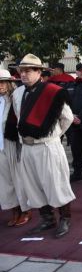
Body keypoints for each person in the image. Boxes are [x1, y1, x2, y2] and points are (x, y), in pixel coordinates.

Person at [12, 54, 75, 238]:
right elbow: (19, 118)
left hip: (47, 146)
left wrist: (53, 135)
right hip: (27, 147)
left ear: (39, 72)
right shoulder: (17, 93)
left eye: (28, 71)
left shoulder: (52, 91)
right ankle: (47, 218)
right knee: (33, 185)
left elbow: (68, 118)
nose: (23, 75)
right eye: (21, 71)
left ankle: (65, 218)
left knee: (56, 183)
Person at [0, 69, 32, 227]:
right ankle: (14, 210)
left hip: (13, 143)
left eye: (3, 82)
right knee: (4, 182)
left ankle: (26, 210)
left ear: (9, 82)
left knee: (18, 178)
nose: (0, 86)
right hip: (0, 146)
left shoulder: (15, 99)